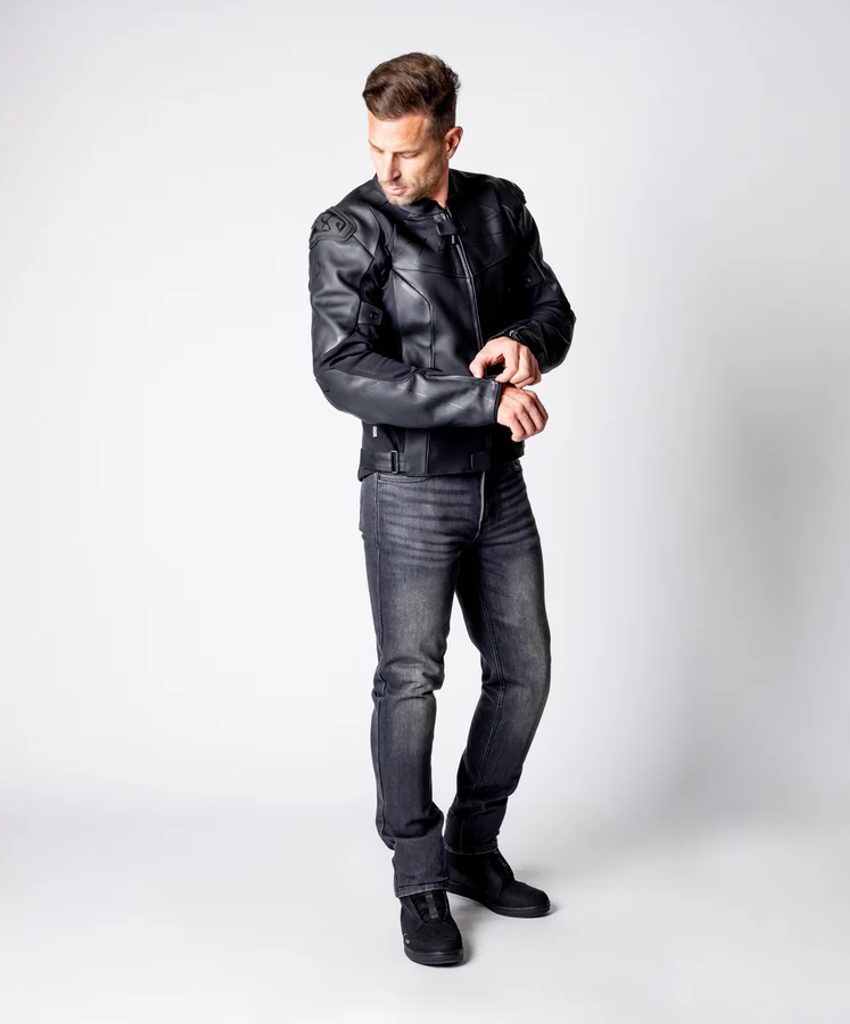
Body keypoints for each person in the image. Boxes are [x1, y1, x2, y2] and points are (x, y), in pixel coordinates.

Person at [307, 52, 576, 967]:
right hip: (408, 485)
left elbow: (551, 306)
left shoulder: (499, 206)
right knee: (409, 681)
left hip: (497, 483)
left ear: (450, 139)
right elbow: (344, 370)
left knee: (525, 672)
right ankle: (418, 877)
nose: (389, 170)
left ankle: (471, 846)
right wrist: (480, 399)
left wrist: (524, 342)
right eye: (376, 148)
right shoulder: (349, 229)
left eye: (409, 152)